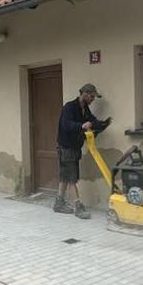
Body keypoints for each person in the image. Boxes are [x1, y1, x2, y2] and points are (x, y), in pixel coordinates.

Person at [54, 83, 110, 218]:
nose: (93, 99)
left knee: (65, 176)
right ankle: (78, 207)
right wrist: (81, 125)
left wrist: (102, 124)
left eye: (94, 97)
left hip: (74, 147)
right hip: (66, 147)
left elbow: (92, 121)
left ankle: (59, 203)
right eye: (91, 97)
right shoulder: (69, 107)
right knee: (72, 178)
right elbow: (66, 125)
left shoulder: (84, 109)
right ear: (84, 94)